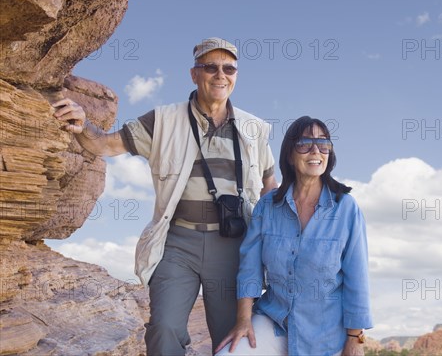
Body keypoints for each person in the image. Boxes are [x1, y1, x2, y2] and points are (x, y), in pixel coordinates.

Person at [53, 37, 278, 355]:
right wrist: (82, 124)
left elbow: (270, 185)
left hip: (234, 246)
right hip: (177, 242)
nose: (220, 75)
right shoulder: (162, 120)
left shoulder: (255, 128)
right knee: (164, 328)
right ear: (194, 74)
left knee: (232, 339)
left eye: (229, 68)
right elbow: (106, 144)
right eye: (210, 67)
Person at [215, 116, 372, 356]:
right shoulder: (267, 206)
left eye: (323, 144)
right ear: (290, 154)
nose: (315, 151)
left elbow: (357, 279)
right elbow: (250, 268)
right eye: (304, 144)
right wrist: (244, 319)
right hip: (275, 320)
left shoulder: (346, 208)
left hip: (325, 333)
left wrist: (355, 339)